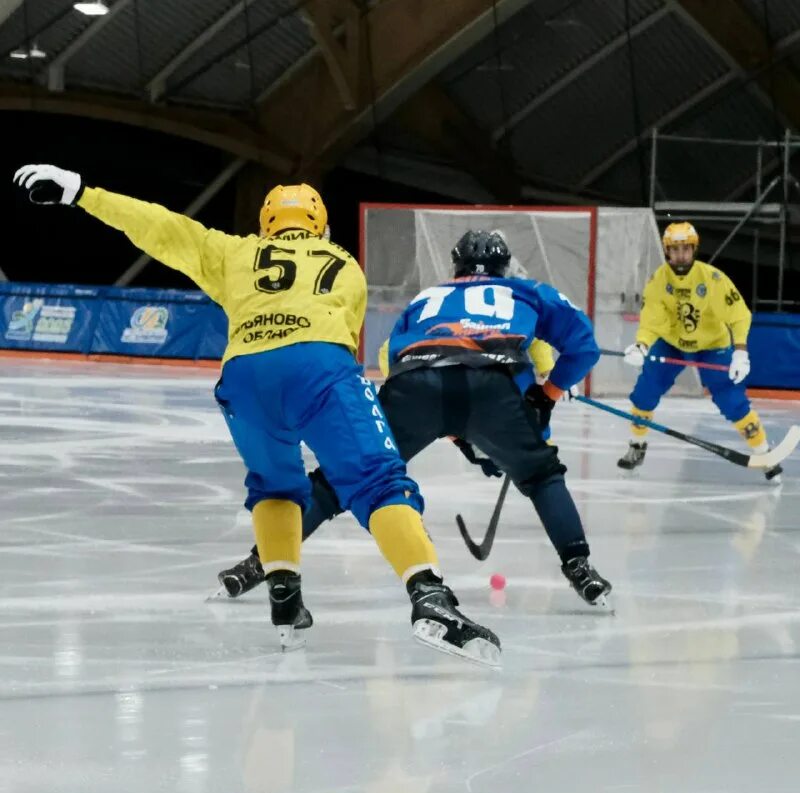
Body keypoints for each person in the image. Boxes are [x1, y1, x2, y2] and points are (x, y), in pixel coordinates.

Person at [13, 164, 500, 667]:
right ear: (320, 226)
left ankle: (285, 597)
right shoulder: (344, 264)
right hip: (319, 366)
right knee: (378, 482)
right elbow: (345, 338)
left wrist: (82, 192)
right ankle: (430, 598)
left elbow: (160, 226)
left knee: (274, 485)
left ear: (266, 224)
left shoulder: (235, 251)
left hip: (244, 376)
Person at [218, 230, 612, 608]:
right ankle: (580, 568)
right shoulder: (527, 291)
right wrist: (547, 396)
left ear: (457, 266)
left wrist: (446, 421)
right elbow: (583, 348)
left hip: (414, 383)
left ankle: (262, 560)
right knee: (542, 476)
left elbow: (394, 356)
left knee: (340, 477)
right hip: (490, 387)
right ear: (504, 266)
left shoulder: (426, 298)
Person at [618, 221, 782, 482]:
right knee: (646, 390)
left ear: (694, 249)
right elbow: (651, 320)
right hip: (672, 343)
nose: (680, 254)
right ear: (667, 251)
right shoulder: (658, 280)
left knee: (731, 399)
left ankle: (764, 453)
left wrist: (740, 351)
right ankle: (637, 446)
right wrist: (642, 345)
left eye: (686, 248)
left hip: (712, 346)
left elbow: (739, 315)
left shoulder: (712, 279)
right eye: (674, 249)